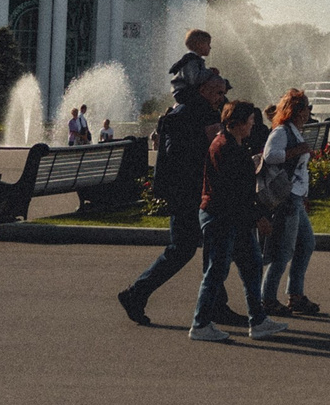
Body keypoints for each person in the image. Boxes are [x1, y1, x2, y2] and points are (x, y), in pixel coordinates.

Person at [117, 69, 228, 324]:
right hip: (189, 192)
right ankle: (137, 293)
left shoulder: (185, 111)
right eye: (218, 92)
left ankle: (216, 305)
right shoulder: (197, 114)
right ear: (203, 90)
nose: (222, 98)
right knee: (184, 248)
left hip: (187, 191)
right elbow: (193, 153)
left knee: (209, 247)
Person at [190, 100, 283, 343]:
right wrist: (258, 217)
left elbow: (238, 188)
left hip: (234, 217)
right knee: (216, 271)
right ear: (237, 123)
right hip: (221, 216)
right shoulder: (224, 147)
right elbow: (230, 191)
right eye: (250, 121)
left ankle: (259, 321)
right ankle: (200, 324)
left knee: (251, 267)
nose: (254, 125)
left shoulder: (234, 144)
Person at [259, 89, 319, 318]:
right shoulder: (283, 132)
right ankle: (268, 298)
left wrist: (304, 195)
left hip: (296, 197)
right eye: (306, 108)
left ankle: (295, 294)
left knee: (306, 244)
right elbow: (270, 155)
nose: (308, 112)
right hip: (286, 198)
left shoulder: (293, 131)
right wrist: (297, 150)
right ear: (297, 111)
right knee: (283, 251)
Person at [168, 28, 213, 98]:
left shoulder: (194, 59)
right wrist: (210, 72)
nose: (210, 47)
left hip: (186, 91)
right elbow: (195, 79)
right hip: (184, 92)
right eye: (208, 44)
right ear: (199, 45)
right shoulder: (191, 60)